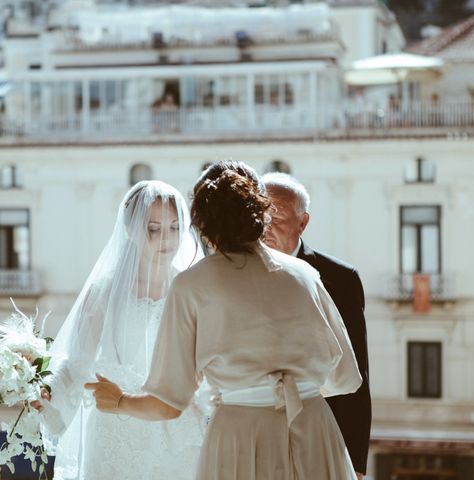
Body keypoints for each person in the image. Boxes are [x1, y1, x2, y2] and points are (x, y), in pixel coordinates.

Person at [86, 160, 362, 480]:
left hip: (242, 436)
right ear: (263, 213)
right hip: (315, 430)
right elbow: (346, 378)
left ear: (202, 225)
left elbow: (169, 403)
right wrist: (294, 389)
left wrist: (119, 401)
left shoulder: (192, 284)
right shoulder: (305, 275)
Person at [38, 180, 205, 480]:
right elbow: (78, 362)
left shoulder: (192, 290)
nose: (167, 239)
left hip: (176, 430)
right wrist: (47, 390)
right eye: (154, 229)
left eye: (175, 228)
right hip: (115, 430)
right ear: (131, 230)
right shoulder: (105, 292)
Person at [262, 172, 371, 479]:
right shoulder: (237, 271)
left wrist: (356, 465)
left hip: (320, 432)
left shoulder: (340, 278)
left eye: (276, 216)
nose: (265, 227)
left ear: (303, 222)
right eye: (260, 215)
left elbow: (357, 374)